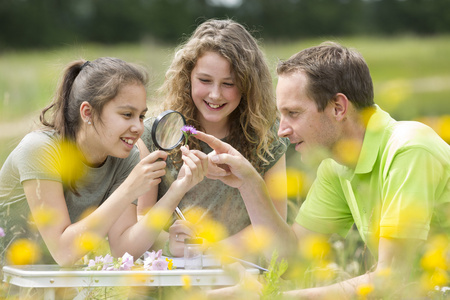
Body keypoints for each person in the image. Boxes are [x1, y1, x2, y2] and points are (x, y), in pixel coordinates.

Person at [193, 42, 450, 298]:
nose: (282, 130)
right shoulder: (336, 164)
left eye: (293, 113)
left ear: (338, 107)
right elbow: (292, 260)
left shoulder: (410, 149)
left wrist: (271, 297)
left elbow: (392, 278)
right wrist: (249, 182)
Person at [0, 57, 208, 269]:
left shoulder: (125, 158)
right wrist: (129, 189)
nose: (138, 127)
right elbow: (63, 251)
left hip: (50, 284)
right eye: (127, 114)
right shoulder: (40, 150)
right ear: (87, 113)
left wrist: (176, 190)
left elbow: (123, 249)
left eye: (141, 116)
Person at [137, 19, 289, 257]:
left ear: (248, 85)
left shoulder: (267, 135)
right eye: (205, 80)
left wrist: (209, 251)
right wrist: (171, 244)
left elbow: (274, 224)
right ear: (187, 76)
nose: (215, 94)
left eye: (229, 84)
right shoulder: (153, 133)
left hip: (240, 272)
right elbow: (141, 220)